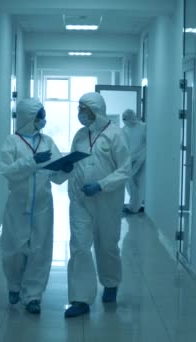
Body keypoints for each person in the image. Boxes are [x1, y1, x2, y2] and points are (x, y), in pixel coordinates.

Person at [0, 98, 71, 314]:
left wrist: (65, 169)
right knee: (13, 249)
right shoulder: (11, 142)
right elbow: (7, 171)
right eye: (40, 115)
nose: (43, 120)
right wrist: (32, 162)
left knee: (40, 249)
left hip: (42, 204)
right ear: (29, 117)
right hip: (18, 204)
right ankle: (14, 285)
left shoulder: (47, 141)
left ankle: (33, 296)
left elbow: (56, 177)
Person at [63, 92, 132, 318]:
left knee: (107, 245)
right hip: (80, 201)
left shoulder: (115, 134)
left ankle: (111, 283)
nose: (80, 114)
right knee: (80, 248)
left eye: (84, 110)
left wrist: (101, 185)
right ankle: (81, 299)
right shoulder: (80, 135)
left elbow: (125, 170)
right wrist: (67, 172)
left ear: (96, 111)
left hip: (107, 201)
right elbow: (75, 162)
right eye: (79, 110)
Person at [121, 109, 147, 214]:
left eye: (125, 118)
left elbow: (146, 142)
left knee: (139, 183)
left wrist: (141, 155)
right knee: (129, 182)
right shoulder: (124, 129)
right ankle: (134, 205)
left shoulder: (143, 127)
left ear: (132, 117)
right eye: (123, 119)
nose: (124, 121)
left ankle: (135, 206)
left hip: (142, 158)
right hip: (129, 159)